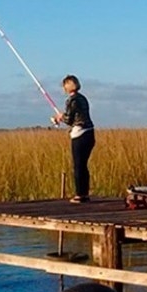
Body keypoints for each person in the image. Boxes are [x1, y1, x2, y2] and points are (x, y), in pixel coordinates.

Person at [52, 75, 95, 203]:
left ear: (67, 87)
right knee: (83, 165)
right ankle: (84, 193)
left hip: (80, 135)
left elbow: (69, 119)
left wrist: (59, 117)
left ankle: (80, 195)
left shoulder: (72, 100)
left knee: (78, 165)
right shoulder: (83, 98)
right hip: (90, 134)